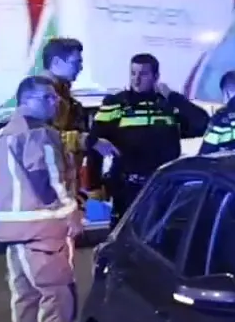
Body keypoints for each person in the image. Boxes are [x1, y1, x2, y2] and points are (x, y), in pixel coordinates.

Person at [0, 76, 84, 322]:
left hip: (16, 230)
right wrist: (71, 210)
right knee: (55, 290)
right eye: (48, 98)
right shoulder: (38, 133)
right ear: (28, 100)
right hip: (43, 229)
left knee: (25, 295)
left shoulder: (9, 132)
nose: (55, 102)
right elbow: (49, 179)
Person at [89, 54, 209, 221]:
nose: (136, 80)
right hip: (128, 189)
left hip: (165, 188)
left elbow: (202, 122)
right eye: (133, 73)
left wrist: (173, 97)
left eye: (143, 74)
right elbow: (95, 143)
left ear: (156, 77)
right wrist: (94, 185)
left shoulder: (167, 105)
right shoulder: (116, 103)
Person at [37, 37, 107, 198]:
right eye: (76, 62)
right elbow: (41, 138)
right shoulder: (43, 95)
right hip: (47, 186)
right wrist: (86, 141)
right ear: (56, 62)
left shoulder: (64, 96)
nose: (80, 67)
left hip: (60, 183)